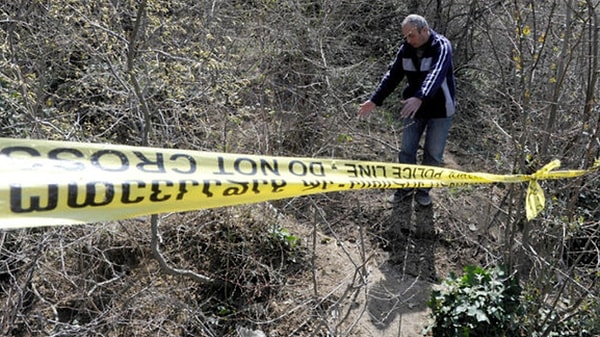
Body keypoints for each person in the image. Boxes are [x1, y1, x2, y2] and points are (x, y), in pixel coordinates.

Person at [358, 14, 456, 207]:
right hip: (413, 107)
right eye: (405, 36)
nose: (408, 40)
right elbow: (392, 76)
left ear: (424, 31)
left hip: (440, 109)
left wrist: (420, 97)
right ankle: (404, 188)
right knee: (406, 149)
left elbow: (435, 75)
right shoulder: (406, 50)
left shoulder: (442, 46)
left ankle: (423, 191)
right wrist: (374, 100)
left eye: (411, 35)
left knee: (433, 153)